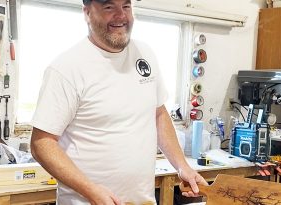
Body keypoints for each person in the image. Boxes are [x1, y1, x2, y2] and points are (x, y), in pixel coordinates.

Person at [30, 0, 208, 204]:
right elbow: (41, 144)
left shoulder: (145, 54)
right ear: (87, 13)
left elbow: (158, 113)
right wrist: (91, 191)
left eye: (126, 6)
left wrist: (182, 165)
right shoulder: (67, 68)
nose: (121, 16)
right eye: (109, 7)